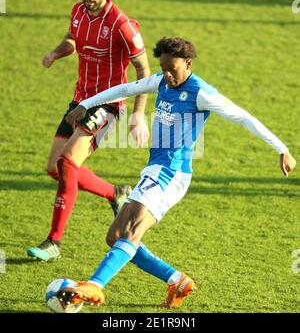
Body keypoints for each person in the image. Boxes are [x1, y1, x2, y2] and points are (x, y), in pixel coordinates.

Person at [56, 37, 296, 309]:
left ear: (188, 63)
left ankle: (96, 286)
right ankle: (177, 280)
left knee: (131, 231)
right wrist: (85, 104)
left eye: (173, 68)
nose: (168, 74)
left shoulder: (200, 92)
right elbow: (125, 88)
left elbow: (243, 117)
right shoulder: (160, 81)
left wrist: (282, 148)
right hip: (156, 170)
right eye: (164, 67)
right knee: (114, 237)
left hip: (171, 173)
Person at [27, 0, 151, 261]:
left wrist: (137, 115)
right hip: (80, 101)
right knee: (54, 167)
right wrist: (56, 53)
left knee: (68, 162)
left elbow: (144, 70)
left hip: (108, 103)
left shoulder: (122, 25)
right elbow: (72, 39)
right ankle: (116, 192)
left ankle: (54, 242)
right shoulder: (78, 12)